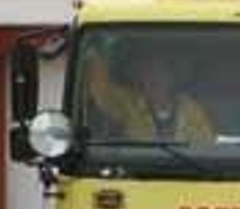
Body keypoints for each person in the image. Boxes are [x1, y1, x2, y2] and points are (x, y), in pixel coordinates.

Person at [83, 43, 215, 144]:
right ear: (140, 79)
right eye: (147, 73)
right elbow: (102, 91)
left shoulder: (193, 111)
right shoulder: (129, 104)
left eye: (159, 72)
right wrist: (93, 53)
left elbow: (206, 148)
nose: (153, 79)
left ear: (172, 78)